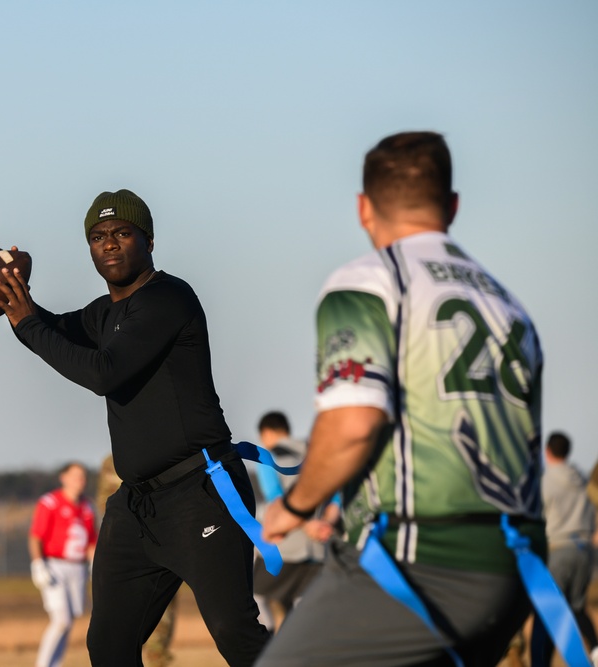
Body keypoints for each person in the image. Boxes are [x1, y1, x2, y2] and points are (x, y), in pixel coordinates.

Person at [256, 131, 545, 666]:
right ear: (453, 205)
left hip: (416, 561)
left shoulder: (368, 283)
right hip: (516, 568)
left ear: (364, 208)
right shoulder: (509, 304)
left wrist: (292, 507)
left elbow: (354, 425)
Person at [0, 189, 269, 666]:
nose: (110, 244)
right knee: (109, 645)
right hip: (138, 505)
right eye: (98, 237)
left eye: (122, 233)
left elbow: (104, 372)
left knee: (234, 631)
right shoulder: (104, 312)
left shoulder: (168, 298)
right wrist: (12, 292)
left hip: (200, 490)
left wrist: (27, 325)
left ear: (150, 240)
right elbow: (49, 327)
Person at [251, 411, 337, 631]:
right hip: (319, 548)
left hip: (285, 549)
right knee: (302, 608)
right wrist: (323, 524)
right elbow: (336, 495)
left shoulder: (269, 457)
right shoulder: (315, 454)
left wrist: (306, 525)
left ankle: (265, 643)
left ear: (267, 433)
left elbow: (276, 501)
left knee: (254, 596)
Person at [96, 453, 179, 667]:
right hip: (128, 546)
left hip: (163, 543)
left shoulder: (170, 452)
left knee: (161, 624)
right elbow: (104, 502)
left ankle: (158, 659)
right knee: (115, 632)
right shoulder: (112, 462)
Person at [530, 431, 598, 666]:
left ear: (547, 452)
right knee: (577, 609)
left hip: (558, 550)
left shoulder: (545, 482)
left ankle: (540, 664)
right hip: (585, 551)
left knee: (546, 611)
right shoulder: (582, 480)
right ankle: (597, 653)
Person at [29, 461, 98, 667]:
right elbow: (35, 536)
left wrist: (95, 564)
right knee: (60, 620)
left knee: (69, 622)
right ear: (64, 478)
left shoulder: (87, 507)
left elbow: (91, 541)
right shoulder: (50, 502)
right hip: (55, 566)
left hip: (77, 569)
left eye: (83, 477)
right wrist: (38, 564)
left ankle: (55, 664)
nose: (80, 481)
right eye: (76, 476)